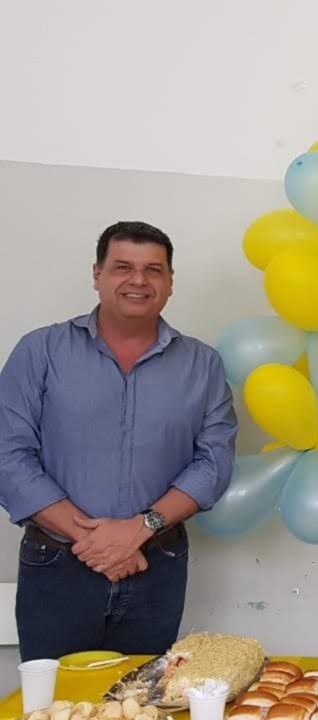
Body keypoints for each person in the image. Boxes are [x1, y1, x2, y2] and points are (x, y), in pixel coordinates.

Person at [0, 221, 237, 661]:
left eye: (153, 269)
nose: (138, 280)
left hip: (157, 567)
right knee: (57, 696)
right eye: (123, 267)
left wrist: (138, 529)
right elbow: (7, 455)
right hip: (57, 566)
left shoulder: (203, 364)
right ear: (98, 275)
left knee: (142, 695)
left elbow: (214, 463)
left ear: (169, 282)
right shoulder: (40, 351)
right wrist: (98, 541)